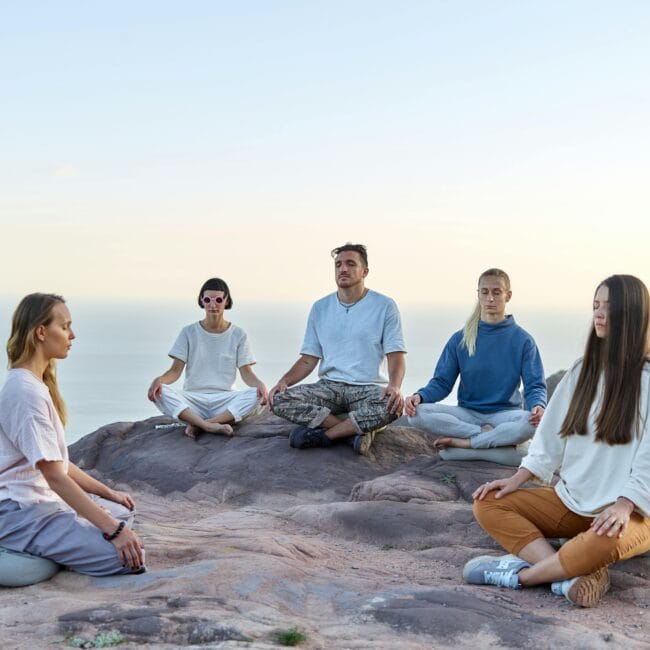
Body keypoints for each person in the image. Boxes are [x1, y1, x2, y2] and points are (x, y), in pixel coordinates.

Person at [464, 274, 650, 608]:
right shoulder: (583, 372)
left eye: (609, 307)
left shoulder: (647, 381)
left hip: (632, 512)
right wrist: (518, 479)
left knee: (605, 540)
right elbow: (551, 438)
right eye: (595, 306)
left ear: (633, 314)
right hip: (572, 500)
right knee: (488, 502)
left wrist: (624, 504)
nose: (599, 315)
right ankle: (572, 573)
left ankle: (520, 576)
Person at [0, 293, 145, 576]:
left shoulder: (34, 385)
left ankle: (59, 548)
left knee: (123, 513)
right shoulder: (24, 393)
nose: (72, 334)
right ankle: (31, 549)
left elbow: (58, 463)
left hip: (39, 504)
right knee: (127, 559)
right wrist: (113, 531)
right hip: (20, 511)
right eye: (65, 326)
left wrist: (106, 493)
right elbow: (55, 476)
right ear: (41, 332)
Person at [269, 243, 406, 455]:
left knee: (393, 406)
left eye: (351, 264)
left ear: (365, 271)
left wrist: (395, 386)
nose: (343, 269)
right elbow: (308, 358)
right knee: (278, 399)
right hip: (329, 387)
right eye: (338, 265)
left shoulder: (385, 306)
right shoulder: (320, 307)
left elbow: (395, 355)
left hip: (367, 387)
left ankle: (326, 436)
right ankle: (351, 432)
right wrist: (284, 382)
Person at [404, 268, 546, 452]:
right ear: (478, 295)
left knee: (529, 424)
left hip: (505, 414)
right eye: (484, 292)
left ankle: (466, 444)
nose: (490, 298)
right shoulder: (460, 339)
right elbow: (441, 383)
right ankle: (486, 435)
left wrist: (538, 406)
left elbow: (535, 385)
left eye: (497, 292)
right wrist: (420, 396)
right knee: (417, 415)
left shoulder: (523, 340)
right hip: (468, 414)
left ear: (508, 296)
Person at [148, 277, 268, 439]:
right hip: (193, 399)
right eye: (207, 299)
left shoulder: (238, 334)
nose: (213, 305)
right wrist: (159, 380)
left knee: (256, 394)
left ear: (226, 301)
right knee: (161, 392)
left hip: (224, 399)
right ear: (201, 301)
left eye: (218, 300)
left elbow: (246, 373)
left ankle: (201, 424)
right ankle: (208, 426)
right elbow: (175, 371)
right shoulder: (188, 332)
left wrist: (260, 384)